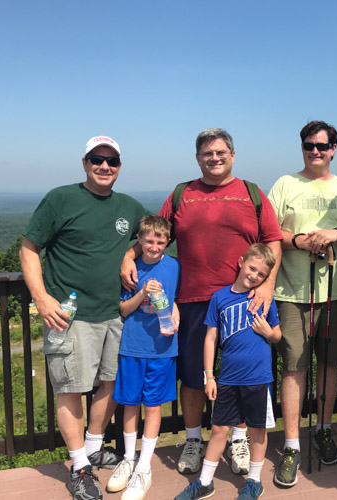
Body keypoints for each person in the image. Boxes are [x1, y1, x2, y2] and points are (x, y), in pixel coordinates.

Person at [121, 128, 282, 477]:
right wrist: (128, 255)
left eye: (221, 152)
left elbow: (272, 240)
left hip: (242, 300)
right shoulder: (183, 194)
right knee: (193, 376)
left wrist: (268, 284)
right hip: (192, 299)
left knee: (243, 374)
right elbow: (157, 233)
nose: (215, 158)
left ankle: (238, 438)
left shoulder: (252, 194)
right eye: (208, 153)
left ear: (233, 155)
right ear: (198, 158)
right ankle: (194, 440)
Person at [20, 136, 148, 500]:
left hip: (116, 313)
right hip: (71, 316)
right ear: (84, 162)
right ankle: (79, 467)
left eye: (112, 161)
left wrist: (131, 252)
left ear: (120, 166)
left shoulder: (128, 205)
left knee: (109, 384)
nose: (105, 166)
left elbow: (153, 235)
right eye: (97, 159)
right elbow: (29, 249)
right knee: (71, 389)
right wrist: (42, 298)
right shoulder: (61, 198)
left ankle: (93, 447)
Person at [267, 120, 337, 487]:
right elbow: (270, 234)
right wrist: (302, 241)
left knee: (330, 363)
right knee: (294, 367)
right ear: (302, 147)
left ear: (333, 148)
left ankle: (323, 429)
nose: (315, 151)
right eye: (309, 145)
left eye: (322, 146)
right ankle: (291, 445)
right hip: (292, 293)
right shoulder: (285, 185)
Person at [174, 243, 281, 500]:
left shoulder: (265, 298)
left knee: (257, 431)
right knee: (219, 429)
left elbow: (277, 334)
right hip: (228, 377)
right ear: (241, 262)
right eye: (252, 268)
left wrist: (268, 333)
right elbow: (210, 338)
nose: (254, 276)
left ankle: (254, 481)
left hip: (258, 377)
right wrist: (209, 376)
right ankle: (205, 482)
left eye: (261, 274)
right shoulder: (220, 298)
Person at [105, 215, 180, 500]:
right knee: (130, 404)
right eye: (149, 240)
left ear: (167, 242)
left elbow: (174, 300)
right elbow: (125, 310)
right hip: (133, 346)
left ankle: (144, 467)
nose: (154, 245)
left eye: (160, 240)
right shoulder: (130, 268)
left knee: (153, 406)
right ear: (139, 240)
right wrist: (142, 293)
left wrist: (176, 317)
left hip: (162, 347)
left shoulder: (173, 266)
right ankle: (128, 459)